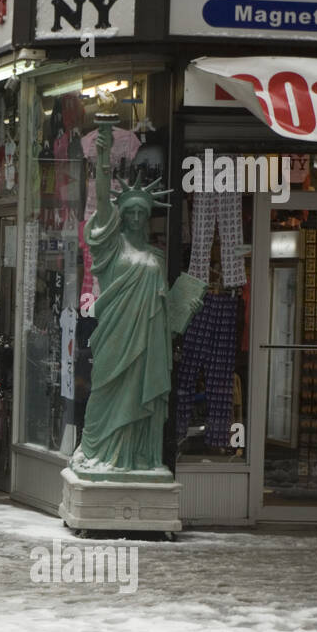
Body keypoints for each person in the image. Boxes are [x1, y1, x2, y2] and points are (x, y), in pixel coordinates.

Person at [72, 121, 202, 473]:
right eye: (128, 212)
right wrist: (101, 162)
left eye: (140, 213)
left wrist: (183, 307)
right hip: (115, 340)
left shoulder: (158, 258)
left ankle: (139, 459)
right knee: (103, 395)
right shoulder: (112, 248)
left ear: (146, 218)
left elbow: (163, 306)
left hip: (149, 344)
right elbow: (101, 207)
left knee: (142, 402)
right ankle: (98, 451)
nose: (133, 217)